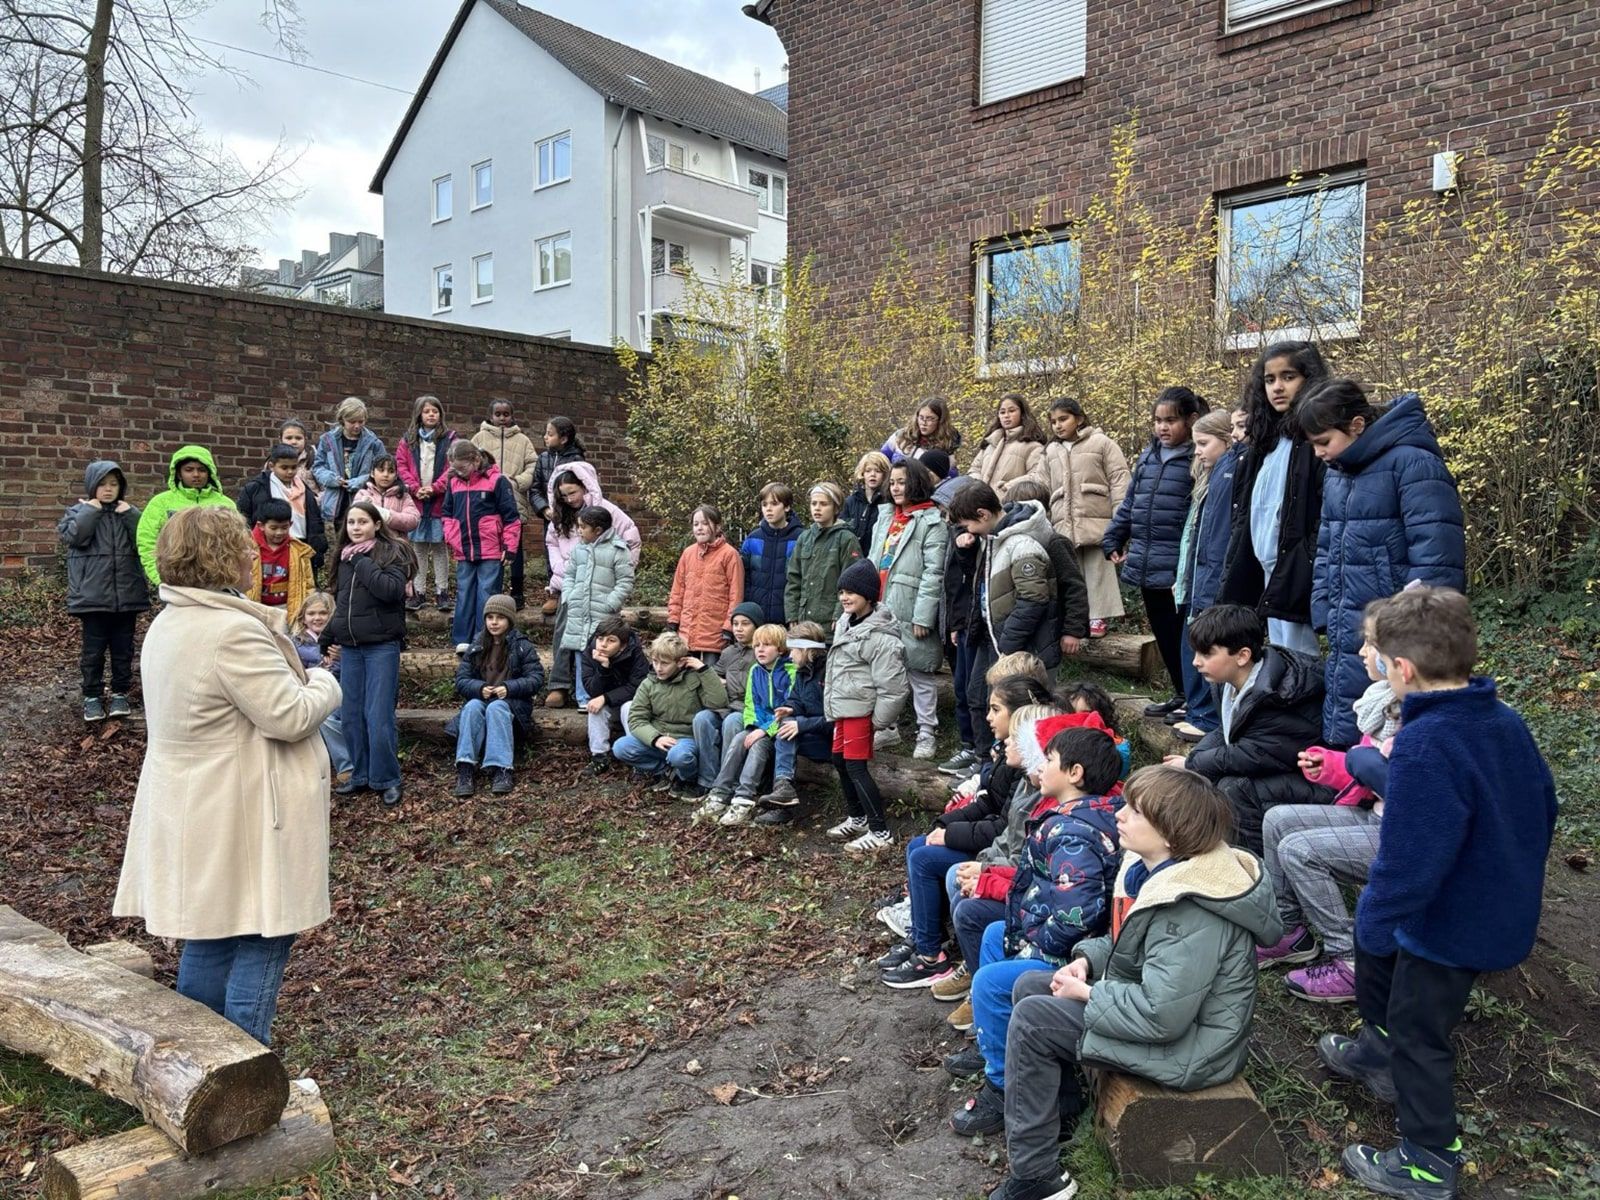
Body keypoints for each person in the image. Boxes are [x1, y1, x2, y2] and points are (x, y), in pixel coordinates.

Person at [1324, 586, 1556, 1200]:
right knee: (1393, 986)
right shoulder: (1501, 719)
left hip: (1452, 919)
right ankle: (1376, 1052)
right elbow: (1544, 804)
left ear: (1402, 669)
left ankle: (1428, 1158)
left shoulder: (1427, 744)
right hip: (1495, 898)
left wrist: (1374, 919)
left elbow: (1411, 860)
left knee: (1421, 1029)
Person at [991, 765, 1282, 1200]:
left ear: (1171, 833)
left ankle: (1037, 1177)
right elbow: (1131, 942)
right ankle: (1063, 1110)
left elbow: (1163, 1015)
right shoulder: (1168, 873)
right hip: (1174, 1023)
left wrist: (1089, 994)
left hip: (1194, 1048)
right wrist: (1087, 963)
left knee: (1034, 1018)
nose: (1120, 815)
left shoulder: (1192, 908)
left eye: (1136, 812)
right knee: (1032, 986)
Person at [113, 506, 341, 1046]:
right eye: (243, 544)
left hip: (203, 800)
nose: (252, 552)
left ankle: (194, 1063)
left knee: (211, 931)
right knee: (265, 929)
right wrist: (325, 681)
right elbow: (290, 715)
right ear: (221, 557)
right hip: (242, 807)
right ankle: (244, 1063)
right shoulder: (228, 632)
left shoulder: (170, 622)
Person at [945, 724, 1125, 1139]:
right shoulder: (1066, 818)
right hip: (1047, 934)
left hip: (1070, 954)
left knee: (991, 982)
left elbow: (1077, 914)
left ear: (1074, 774)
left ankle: (1004, 1086)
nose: (1041, 766)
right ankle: (1001, 1043)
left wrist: (1035, 941)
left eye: (1050, 760)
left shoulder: (1076, 833)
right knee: (992, 936)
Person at [1301, 380, 1466, 746]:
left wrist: (1414, 634)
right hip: (1348, 621)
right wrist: (1323, 606)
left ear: (1357, 426)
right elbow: (1326, 544)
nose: (1317, 453)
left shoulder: (1414, 464)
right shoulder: (1338, 472)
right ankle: (1346, 783)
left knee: (1391, 729)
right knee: (1352, 719)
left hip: (1396, 633)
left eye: (1324, 441)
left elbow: (1437, 559)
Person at [1259, 600, 1401, 1005]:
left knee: (1300, 850)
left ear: (1397, 658)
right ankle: (1289, 932)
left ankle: (1351, 960)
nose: (1361, 653)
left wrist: (1361, 763)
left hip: (1397, 833)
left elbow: (1393, 780)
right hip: (1374, 814)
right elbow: (1367, 770)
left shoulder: (1413, 716)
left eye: (1369, 644)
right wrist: (1332, 764)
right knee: (1277, 820)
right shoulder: (1381, 702)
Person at [880, 675, 1051, 1006]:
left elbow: (1004, 827)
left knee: (929, 861)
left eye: (995, 709)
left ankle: (937, 959)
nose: (988, 717)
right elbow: (992, 808)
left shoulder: (1032, 778)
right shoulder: (1010, 762)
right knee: (920, 846)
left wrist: (970, 852)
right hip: (997, 854)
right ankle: (926, 939)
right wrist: (945, 824)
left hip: (1002, 862)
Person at [1167, 603, 1329, 854]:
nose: (1196, 662)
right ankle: (1197, 850)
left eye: (1206, 654)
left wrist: (1191, 764)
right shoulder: (1230, 681)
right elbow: (1226, 731)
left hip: (1319, 782)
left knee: (1235, 789)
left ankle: (1251, 866)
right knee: (1204, 776)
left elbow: (1251, 754)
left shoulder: (1276, 696)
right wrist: (1194, 760)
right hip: (1277, 769)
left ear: (1242, 655)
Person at [1220, 340, 1330, 657]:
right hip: (1264, 568)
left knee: (1300, 661)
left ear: (1309, 379)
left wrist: (1306, 559)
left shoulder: (1314, 439)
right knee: (1277, 658)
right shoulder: (1266, 442)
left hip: (1295, 570)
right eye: (1270, 380)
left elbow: (1322, 508)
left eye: (1288, 377)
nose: (1277, 388)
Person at [1103, 386, 1206, 716]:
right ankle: (1180, 692)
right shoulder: (1148, 457)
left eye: (1171, 420)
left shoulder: (1198, 458)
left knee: (1183, 635)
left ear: (1191, 420)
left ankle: (1196, 698)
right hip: (1147, 560)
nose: (1163, 427)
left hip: (1177, 565)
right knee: (1163, 632)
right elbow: (1132, 503)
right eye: (1158, 420)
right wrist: (1114, 538)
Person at [948, 481, 1058, 746]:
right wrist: (966, 550)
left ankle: (1002, 764)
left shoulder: (1021, 545)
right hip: (991, 635)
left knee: (1008, 706)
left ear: (983, 515)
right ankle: (982, 758)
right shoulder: (991, 539)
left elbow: (1033, 598)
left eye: (969, 524)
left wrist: (1008, 643)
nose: (968, 530)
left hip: (1015, 644)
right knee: (977, 697)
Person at [322, 500, 415, 809]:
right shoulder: (343, 558)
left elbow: (390, 591)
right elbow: (344, 605)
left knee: (378, 717)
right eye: (351, 523)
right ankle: (360, 775)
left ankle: (387, 779)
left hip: (380, 647)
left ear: (377, 524)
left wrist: (362, 562)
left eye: (363, 522)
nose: (356, 528)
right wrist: (328, 635)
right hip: (351, 648)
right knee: (351, 716)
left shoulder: (392, 552)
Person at [822, 560, 910, 855]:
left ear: (869, 596)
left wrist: (878, 721)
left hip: (861, 712)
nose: (845, 597)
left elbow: (893, 687)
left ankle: (880, 830)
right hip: (844, 709)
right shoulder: (846, 623)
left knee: (856, 767)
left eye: (851, 593)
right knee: (838, 760)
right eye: (842, 592)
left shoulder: (881, 637)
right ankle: (857, 817)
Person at [1029, 396, 1130, 638]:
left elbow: (1119, 479)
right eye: (1053, 421)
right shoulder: (1050, 450)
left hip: (1096, 517)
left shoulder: (1102, 443)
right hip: (1064, 521)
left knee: (1097, 568)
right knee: (1069, 572)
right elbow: (1041, 482)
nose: (1058, 425)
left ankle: (1098, 616)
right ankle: (1075, 618)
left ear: (1079, 418)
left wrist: (1121, 520)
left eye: (1063, 419)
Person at [543, 463, 641, 706]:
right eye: (563, 495)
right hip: (573, 588)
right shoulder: (559, 514)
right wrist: (565, 584)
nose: (569, 499)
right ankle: (559, 685)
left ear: (585, 487)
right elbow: (551, 543)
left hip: (602, 595)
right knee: (565, 634)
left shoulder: (606, 510)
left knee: (595, 645)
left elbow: (631, 538)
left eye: (573, 492)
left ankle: (590, 693)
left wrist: (612, 598)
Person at [869, 460, 948, 760]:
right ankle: (887, 727)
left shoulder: (932, 522)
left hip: (911, 604)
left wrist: (923, 615)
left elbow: (933, 572)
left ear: (915, 482)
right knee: (883, 669)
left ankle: (927, 731)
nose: (896, 487)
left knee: (920, 669)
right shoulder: (885, 517)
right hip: (880, 602)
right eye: (893, 482)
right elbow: (872, 559)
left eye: (902, 482)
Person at [60, 460, 150, 721]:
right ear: (91, 486)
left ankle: (120, 693)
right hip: (93, 597)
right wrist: (90, 510)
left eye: (114, 484)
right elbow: (76, 538)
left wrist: (131, 514)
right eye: (102, 484)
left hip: (127, 595)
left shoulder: (128, 513)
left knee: (124, 649)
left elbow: (143, 539)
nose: (108, 489)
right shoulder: (78, 512)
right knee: (93, 651)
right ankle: (92, 696)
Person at [1171, 410, 1240, 742]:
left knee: (1203, 646)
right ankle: (1197, 709)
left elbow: (1217, 540)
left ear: (1225, 440)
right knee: (1191, 647)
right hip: (1194, 579)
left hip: (1209, 582)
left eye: (1203, 443)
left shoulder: (1228, 474)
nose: (1197, 450)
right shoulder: (1206, 477)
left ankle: (1207, 717)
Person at [692, 623, 796, 827]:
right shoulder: (756, 670)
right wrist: (753, 726)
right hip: (760, 725)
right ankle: (719, 794)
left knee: (757, 744)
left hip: (781, 729)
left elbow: (789, 708)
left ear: (781, 649)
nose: (761, 649)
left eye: (767, 645)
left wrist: (764, 731)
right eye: (757, 645)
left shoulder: (790, 671)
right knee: (740, 738)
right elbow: (751, 704)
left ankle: (743, 800)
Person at [449, 593, 546, 797]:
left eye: (499, 618)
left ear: (509, 620)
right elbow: (462, 679)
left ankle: (501, 768)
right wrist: (479, 688)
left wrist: (509, 688)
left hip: (511, 706)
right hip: (483, 700)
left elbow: (536, 678)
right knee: (472, 707)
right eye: (490, 617)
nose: (494, 622)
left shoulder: (521, 645)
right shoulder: (477, 644)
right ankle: (465, 767)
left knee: (496, 707)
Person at [612, 632, 728, 798]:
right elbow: (636, 718)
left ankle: (686, 777)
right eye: (655, 662)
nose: (658, 668)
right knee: (621, 747)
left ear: (680, 662)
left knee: (679, 756)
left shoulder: (694, 679)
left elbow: (719, 702)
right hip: (660, 738)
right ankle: (666, 771)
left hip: (686, 740)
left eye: (665, 663)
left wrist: (704, 670)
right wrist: (655, 738)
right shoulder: (649, 683)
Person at [440, 439, 521, 655]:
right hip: (464, 548)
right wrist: (450, 535)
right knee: (465, 593)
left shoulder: (497, 481)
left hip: (491, 549)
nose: (459, 472)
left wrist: (510, 546)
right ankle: (461, 640)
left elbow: (511, 517)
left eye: (462, 468)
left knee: (487, 594)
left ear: (476, 460)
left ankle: (481, 639)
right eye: (454, 468)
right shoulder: (454, 482)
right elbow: (447, 513)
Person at [753, 620, 834, 825]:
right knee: (783, 727)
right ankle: (782, 791)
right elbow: (796, 700)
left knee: (786, 731)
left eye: (793, 650)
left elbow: (836, 719)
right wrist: (790, 708)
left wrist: (801, 724)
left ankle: (782, 793)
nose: (789, 656)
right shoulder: (801, 671)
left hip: (831, 742)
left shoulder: (831, 672)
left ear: (805, 650)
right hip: (810, 736)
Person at [1005, 478, 1089, 663]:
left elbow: (1074, 587)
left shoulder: (1055, 543)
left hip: (1050, 627)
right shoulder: (1011, 543)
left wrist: (1073, 630)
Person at [559, 505, 635, 708]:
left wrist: (610, 603)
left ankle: (599, 696)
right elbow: (569, 576)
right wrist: (568, 596)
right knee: (580, 652)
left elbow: (625, 581)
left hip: (603, 614)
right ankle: (582, 698)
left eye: (583, 527)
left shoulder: (618, 550)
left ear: (598, 530)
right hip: (578, 610)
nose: (579, 531)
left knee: (599, 651)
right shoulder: (579, 549)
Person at [935, 473, 983, 776]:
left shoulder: (977, 536)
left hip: (976, 622)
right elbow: (952, 585)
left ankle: (980, 751)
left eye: (946, 508)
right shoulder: (954, 534)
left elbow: (972, 583)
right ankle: (967, 746)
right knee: (961, 687)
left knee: (976, 690)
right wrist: (953, 623)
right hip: (959, 621)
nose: (943, 515)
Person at [136, 444, 236, 587]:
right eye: (189, 470)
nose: (196, 474)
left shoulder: (225, 503)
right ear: (178, 473)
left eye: (201, 470)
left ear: (210, 472)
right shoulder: (161, 503)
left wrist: (230, 577)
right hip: (176, 581)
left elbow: (237, 542)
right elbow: (147, 541)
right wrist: (160, 578)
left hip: (217, 582)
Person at [471, 401, 538, 610]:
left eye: (506, 414)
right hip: (487, 503)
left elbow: (533, 465)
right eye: (498, 414)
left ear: (512, 416)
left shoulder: (523, 440)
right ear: (490, 415)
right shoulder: (479, 438)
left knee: (515, 549)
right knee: (493, 549)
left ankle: (517, 592)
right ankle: (495, 590)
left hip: (514, 499)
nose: (502, 418)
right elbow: (469, 462)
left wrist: (517, 481)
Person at [394, 394, 458, 613]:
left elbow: (452, 468)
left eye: (435, 411)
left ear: (440, 414)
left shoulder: (450, 439)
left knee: (440, 548)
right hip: (417, 502)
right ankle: (418, 592)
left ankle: (442, 592)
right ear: (419, 415)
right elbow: (401, 466)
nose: (431, 414)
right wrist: (414, 487)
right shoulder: (408, 440)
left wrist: (435, 487)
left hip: (440, 502)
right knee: (418, 548)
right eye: (427, 411)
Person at [667, 504, 745, 666]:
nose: (699, 528)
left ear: (717, 526)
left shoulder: (729, 555)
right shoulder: (688, 553)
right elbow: (678, 590)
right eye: (696, 524)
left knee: (710, 676)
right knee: (685, 676)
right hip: (687, 630)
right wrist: (673, 619)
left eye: (704, 523)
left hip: (715, 632)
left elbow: (736, 594)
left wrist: (729, 626)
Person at [785, 481, 863, 635]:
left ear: (836, 508)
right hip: (804, 620)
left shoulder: (846, 539)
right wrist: (792, 614)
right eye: (814, 503)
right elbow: (794, 579)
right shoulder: (804, 538)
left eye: (823, 504)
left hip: (831, 623)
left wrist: (840, 614)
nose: (817, 508)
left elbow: (852, 581)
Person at [290, 591, 351, 786]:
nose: (317, 618)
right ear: (303, 617)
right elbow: (294, 673)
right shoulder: (295, 643)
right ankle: (344, 765)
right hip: (309, 692)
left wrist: (342, 658)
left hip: (342, 689)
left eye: (323, 613)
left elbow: (350, 670)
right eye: (312, 613)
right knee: (324, 717)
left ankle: (352, 764)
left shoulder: (342, 639)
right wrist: (321, 667)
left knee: (337, 717)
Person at [529, 416, 588, 614]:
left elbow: (583, 489)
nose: (545, 437)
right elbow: (535, 488)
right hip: (551, 517)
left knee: (571, 554)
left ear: (563, 438)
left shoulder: (577, 459)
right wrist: (544, 508)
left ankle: (573, 592)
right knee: (552, 555)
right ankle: (553, 592)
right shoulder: (543, 458)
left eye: (550, 434)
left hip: (571, 516)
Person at [579, 614, 650, 774]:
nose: (603, 644)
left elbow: (637, 687)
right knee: (595, 709)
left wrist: (605, 697)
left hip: (632, 702)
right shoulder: (589, 654)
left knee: (628, 707)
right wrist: (603, 668)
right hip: (609, 704)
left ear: (622, 645)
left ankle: (638, 756)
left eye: (611, 640)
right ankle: (599, 756)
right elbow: (592, 690)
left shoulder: (635, 653)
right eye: (600, 638)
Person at [238, 444, 327, 571]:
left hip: (300, 545)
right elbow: (244, 518)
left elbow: (315, 521)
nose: (290, 472)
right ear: (271, 466)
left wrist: (318, 550)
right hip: (266, 548)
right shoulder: (256, 488)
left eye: (293, 467)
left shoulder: (305, 490)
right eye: (284, 468)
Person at [312, 396, 387, 530]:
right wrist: (332, 479)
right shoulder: (327, 440)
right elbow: (318, 467)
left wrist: (360, 481)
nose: (357, 426)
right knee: (337, 545)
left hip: (364, 499)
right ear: (342, 420)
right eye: (352, 421)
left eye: (361, 421)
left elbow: (382, 471)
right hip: (334, 503)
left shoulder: (374, 443)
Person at [245, 498, 316, 627]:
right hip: (255, 607)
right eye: (273, 528)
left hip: (287, 609)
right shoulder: (247, 547)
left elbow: (308, 584)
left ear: (291, 524)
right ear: (261, 526)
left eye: (284, 528)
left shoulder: (298, 551)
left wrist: (307, 608)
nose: (279, 532)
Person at [741, 482, 803, 625]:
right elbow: (744, 578)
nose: (768, 509)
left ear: (787, 506)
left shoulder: (801, 538)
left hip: (788, 618)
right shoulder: (753, 539)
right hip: (757, 617)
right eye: (764, 504)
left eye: (774, 504)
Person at [967, 394, 1047, 502]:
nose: (1006, 415)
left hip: (1012, 506)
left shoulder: (1033, 446)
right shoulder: (990, 444)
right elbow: (974, 469)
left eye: (1012, 411)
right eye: (1002, 412)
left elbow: (1038, 476)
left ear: (1022, 414)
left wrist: (1007, 487)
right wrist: (978, 485)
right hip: (982, 505)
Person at [882, 397, 963, 476]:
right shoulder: (901, 436)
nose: (924, 423)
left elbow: (949, 478)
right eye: (921, 417)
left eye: (930, 419)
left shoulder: (946, 447)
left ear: (940, 421)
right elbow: (881, 460)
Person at [354, 455, 421, 537]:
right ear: (372, 473)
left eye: (391, 471)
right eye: (381, 470)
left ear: (396, 475)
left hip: (395, 546)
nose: (386, 475)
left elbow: (413, 520)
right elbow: (355, 518)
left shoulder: (403, 496)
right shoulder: (363, 494)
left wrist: (387, 515)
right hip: (369, 545)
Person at [843, 450, 893, 555]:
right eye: (868, 471)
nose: (873, 474)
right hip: (851, 560)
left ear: (885, 475)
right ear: (862, 473)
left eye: (878, 471)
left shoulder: (889, 503)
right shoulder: (850, 502)